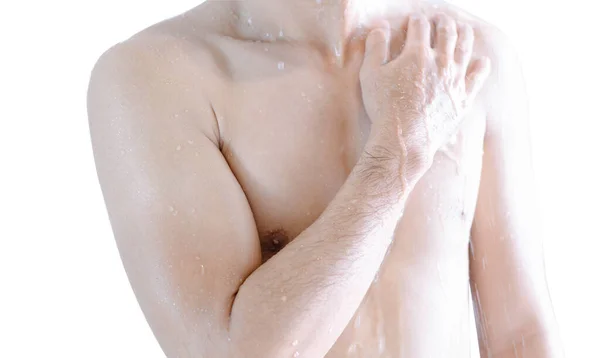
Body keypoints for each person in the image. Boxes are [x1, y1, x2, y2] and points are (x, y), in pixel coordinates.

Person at [87, 0, 562, 357]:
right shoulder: (158, 76)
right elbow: (227, 351)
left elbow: (521, 332)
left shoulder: (464, 54)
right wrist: (397, 154)